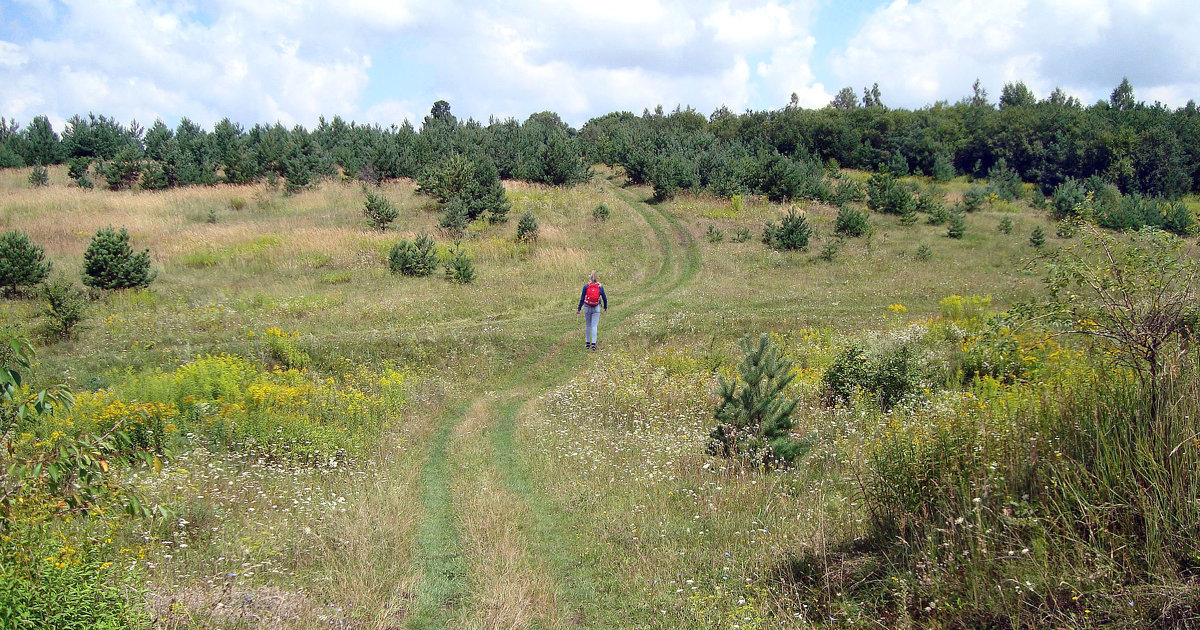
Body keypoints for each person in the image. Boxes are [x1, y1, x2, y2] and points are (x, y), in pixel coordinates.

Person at [576, 270, 607, 352]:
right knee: (594, 326)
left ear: (590, 277)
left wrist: (579, 309)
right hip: (596, 307)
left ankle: (587, 343)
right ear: (597, 277)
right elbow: (604, 298)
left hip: (587, 306)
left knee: (588, 325)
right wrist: (605, 307)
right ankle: (593, 344)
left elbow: (582, 298)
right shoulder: (600, 286)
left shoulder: (586, 286)